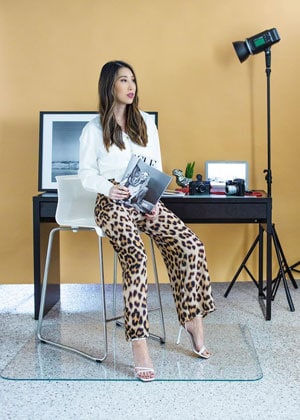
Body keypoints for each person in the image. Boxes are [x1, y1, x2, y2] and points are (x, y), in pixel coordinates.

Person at [79, 60, 215, 382]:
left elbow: (154, 166)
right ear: (109, 85)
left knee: (191, 245)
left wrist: (153, 202)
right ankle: (139, 342)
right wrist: (109, 188)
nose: (131, 86)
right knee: (137, 259)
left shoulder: (146, 125)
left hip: (143, 200)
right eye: (123, 80)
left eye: (133, 80)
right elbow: (85, 174)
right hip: (111, 202)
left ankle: (192, 317)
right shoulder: (93, 129)